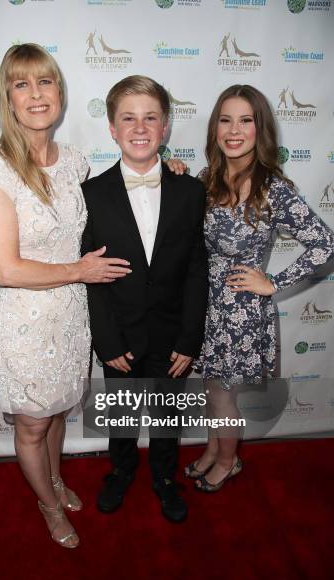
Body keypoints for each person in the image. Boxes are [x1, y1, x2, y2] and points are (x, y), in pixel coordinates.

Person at [0, 43, 131, 548]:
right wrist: (79, 270)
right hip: (26, 321)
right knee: (33, 426)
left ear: (59, 93)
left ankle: (56, 480)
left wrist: (162, 168)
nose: (36, 94)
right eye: (22, 84)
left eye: (45, 82)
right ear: (8, 97)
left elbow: (116, 196)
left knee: (60, 411)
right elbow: (5, 269)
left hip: (71, 317)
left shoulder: (77, 162)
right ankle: (46, 504)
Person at [181, 84, 334, 492]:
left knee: (224, 396)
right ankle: (214, 451)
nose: (234, 130)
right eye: (225, 120)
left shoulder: (274, 189)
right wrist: (172, 175)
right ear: (215, 128)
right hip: (205, 306)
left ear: (259, 128)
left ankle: (228, 461)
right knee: (214, 391)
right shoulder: (206, 178)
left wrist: (274, 282)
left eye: (245, 120)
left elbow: (324, 244)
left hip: (241, 313)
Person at [81, 75, 208, 522]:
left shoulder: (191, 191)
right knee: (120, 413)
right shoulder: (91, 195)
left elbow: (197, 270)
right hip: (121, 334)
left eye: (150, 117)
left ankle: (164, 475)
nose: (140, 127)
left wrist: (190, 337)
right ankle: (120, 468)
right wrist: (107, 341)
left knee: (167, 415)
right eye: (128, 118)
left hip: (173, 332)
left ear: (166, 126)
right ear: (112, 129)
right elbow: (90, 275)